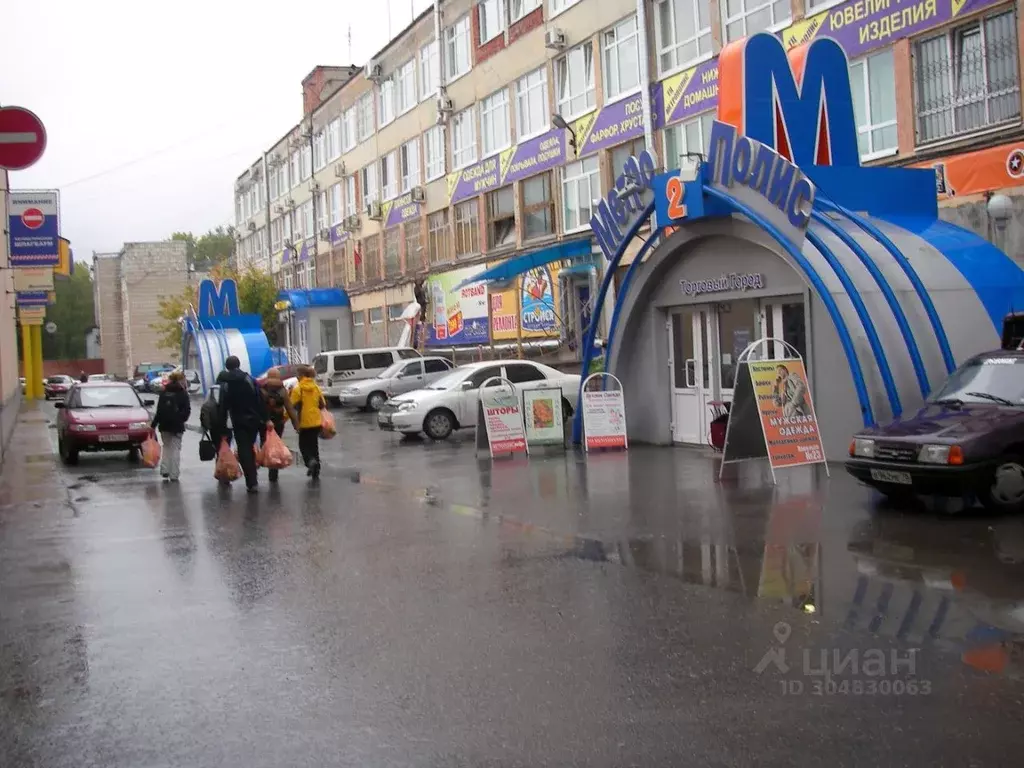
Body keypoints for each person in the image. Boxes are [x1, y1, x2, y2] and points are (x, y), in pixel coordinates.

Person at [216, 356, 267, 493]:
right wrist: (265, 418)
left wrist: (222, 427)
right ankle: (253, 479)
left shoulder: (225, 384)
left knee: (244, 450)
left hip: (238, 421)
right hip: (254, 420)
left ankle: (252, 482)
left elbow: (223, 407)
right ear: (239, 364)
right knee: (250, 447)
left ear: (227, 366)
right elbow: (259, 399)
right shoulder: (249, 379)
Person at [151, 370, 191, 482]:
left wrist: (153, 425)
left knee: (167, 447)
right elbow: (187, 410)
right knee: (175, 449)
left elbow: (159, 411)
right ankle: (174, 474)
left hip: (164, 425)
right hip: (177, 426)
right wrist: (181, 419)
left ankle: (165, 470)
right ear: (180, 380)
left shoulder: (164, 392)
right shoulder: (182, 393)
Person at [260, 369, 298, 484]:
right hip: (278, 422)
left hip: (264, 422)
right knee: (276, 444)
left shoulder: (262, 389)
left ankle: (265, 461)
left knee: (266, 444)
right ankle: (273, 471)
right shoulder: (282, 390)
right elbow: (289, 408)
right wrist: (296, 423)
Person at [290, 365, 325, 480]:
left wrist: (286, 418)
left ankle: (310, 462)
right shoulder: (316, 387)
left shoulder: (298, 389)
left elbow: (292, 406)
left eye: (297, 374)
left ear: (300, 375)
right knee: (314, 445)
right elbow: (322, 404)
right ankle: (316, 470)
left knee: (303, 446)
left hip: (304, 422)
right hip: (316, 421)